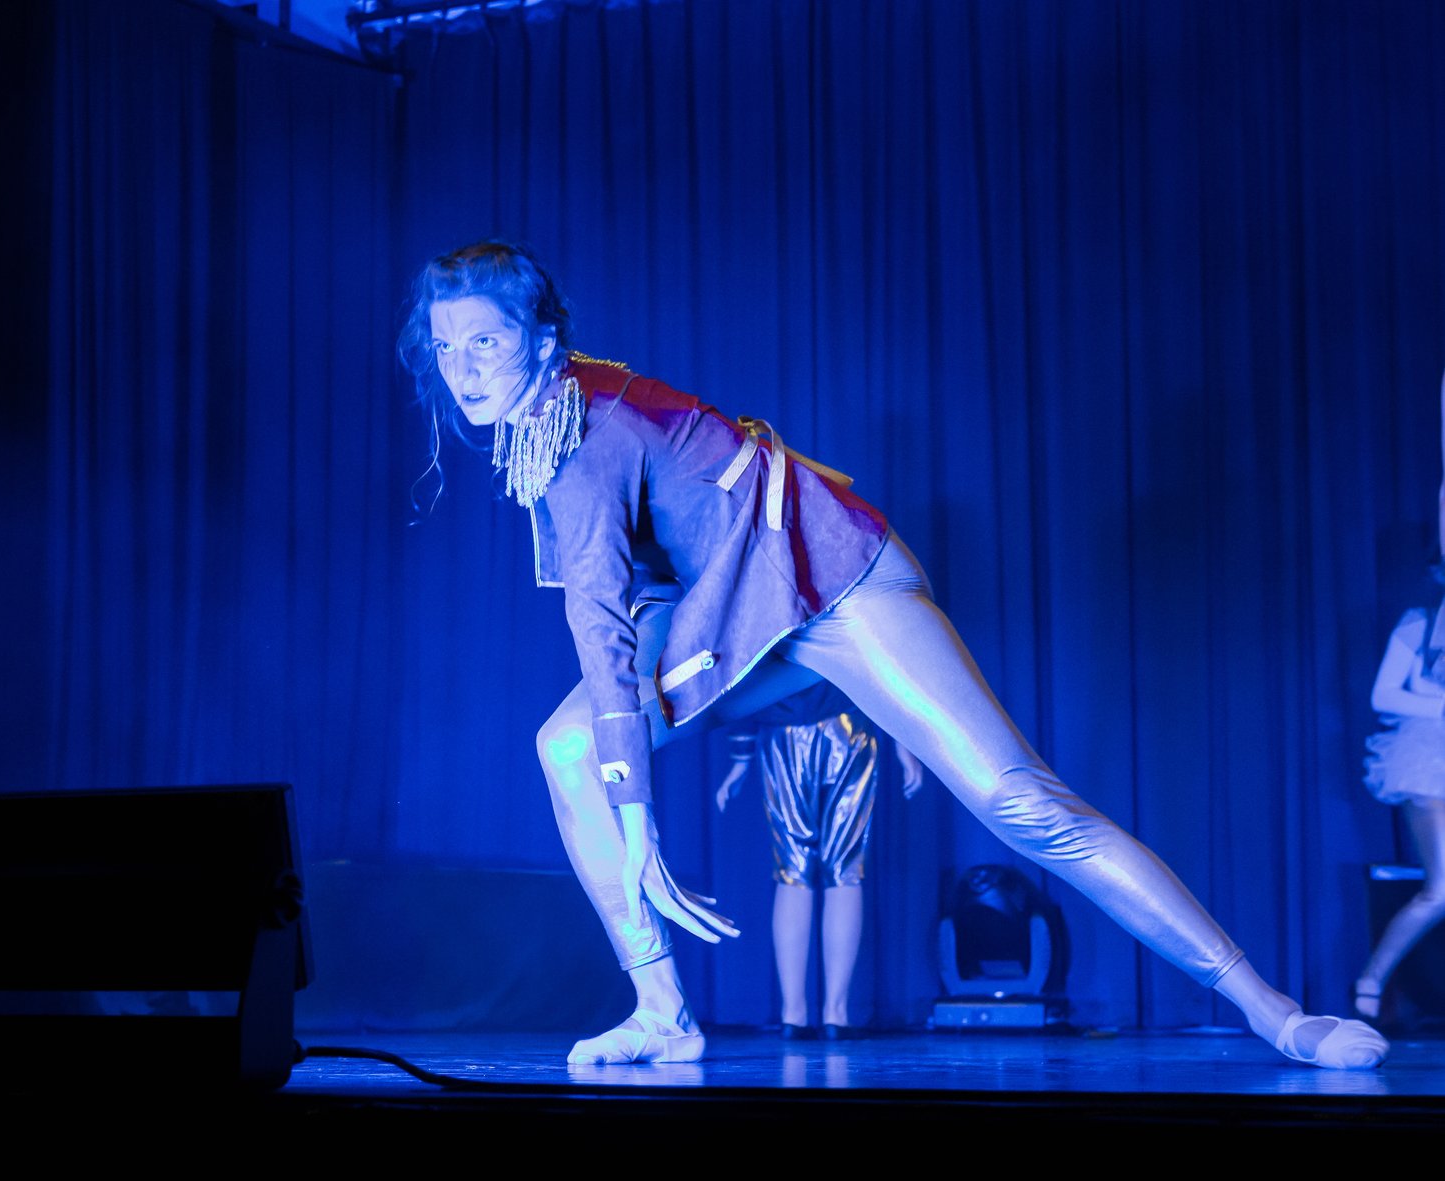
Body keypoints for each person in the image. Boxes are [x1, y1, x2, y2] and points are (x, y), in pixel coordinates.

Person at [396, 239, 1387, 1070]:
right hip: (730, 608)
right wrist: (629, 794)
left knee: (1021, 803)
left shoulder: (587, 428)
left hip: (830, 581)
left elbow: (602, 630)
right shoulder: (552, 417)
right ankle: (662, 1013)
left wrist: (636, 817)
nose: (465, 369)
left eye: (486, 342)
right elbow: (632, 605)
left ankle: (1273, 1011)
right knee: (567, 744)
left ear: (543, 339)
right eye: (447, 347)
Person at [713, 681, 922, 1039]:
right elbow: (876, 665)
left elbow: (746, 672)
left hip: (781, 729)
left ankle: (793, 1015)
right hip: (847, 725)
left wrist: (741, 756)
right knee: (844, 867)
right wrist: (904, 743)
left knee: (793, 868)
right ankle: (835, 1015)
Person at [1356, 584, 1445, 1022]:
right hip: (1429, 759)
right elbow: (1384, 695)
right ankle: (1372, 978)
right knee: (1442, 889)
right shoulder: (1421, 622)